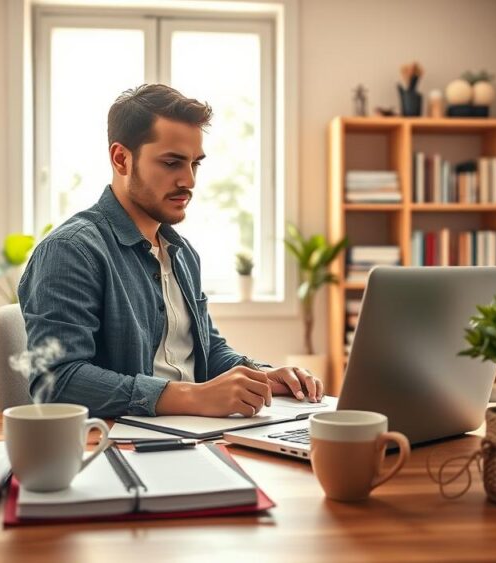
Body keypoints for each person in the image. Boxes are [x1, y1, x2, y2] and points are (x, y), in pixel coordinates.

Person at [17, 84, 324, 419]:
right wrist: (193, 397)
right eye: (172, 163)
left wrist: (260, 375)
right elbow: (57, 381)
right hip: (122, 444)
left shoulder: (181, 252)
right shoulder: (71, 251)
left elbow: (206, 351)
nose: (189, 180)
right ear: (121, 158)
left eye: (195, 164)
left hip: (198, 433)